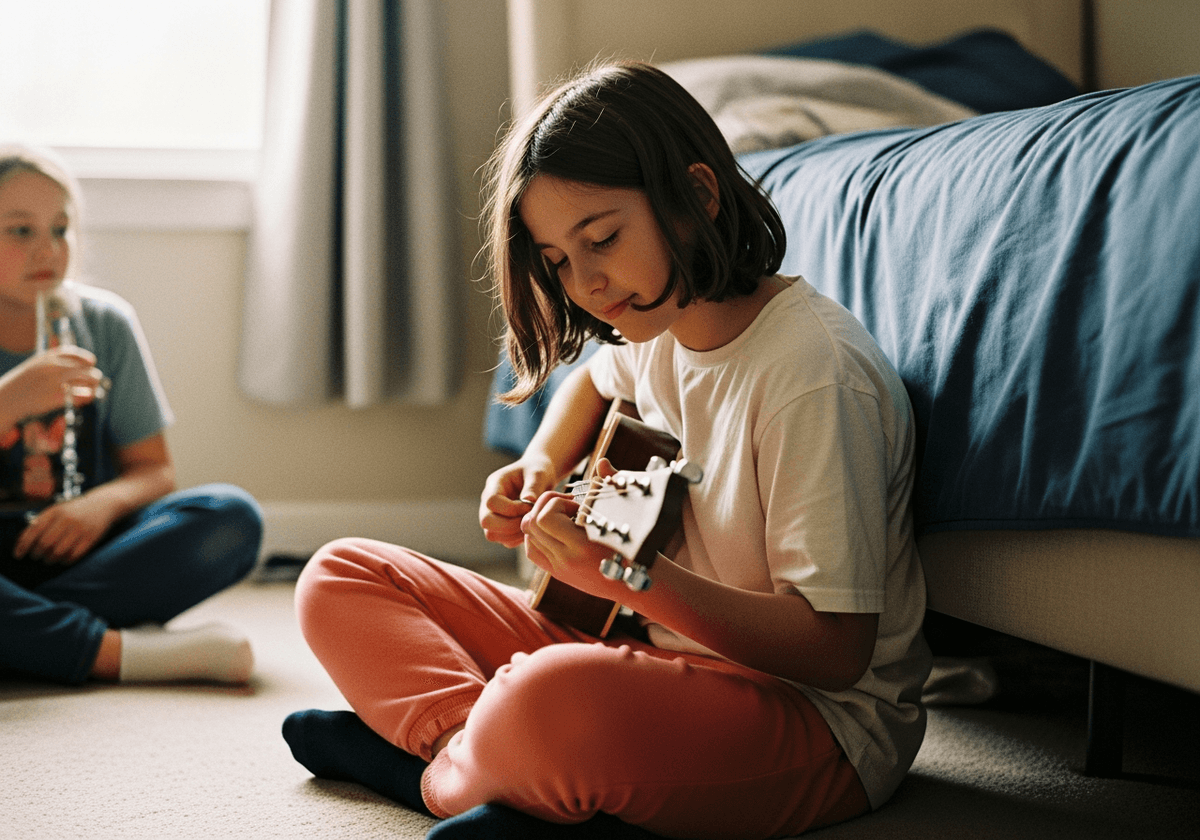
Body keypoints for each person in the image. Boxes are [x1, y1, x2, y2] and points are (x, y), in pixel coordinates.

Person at [283, 61, 931, 839]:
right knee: (341, 575)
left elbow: (834, 651)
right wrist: (540, 465)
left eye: (603, 239)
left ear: (697, 195)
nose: (585, 282)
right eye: (557, 261)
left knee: (545, 698)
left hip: (816, 726)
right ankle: (481, 763)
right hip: (646, 655)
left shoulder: (811, 376)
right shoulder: (660, 325)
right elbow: (594, 381)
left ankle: (445, 768)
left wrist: (630, 576)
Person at [0, 144, 262, 686]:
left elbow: (154, 470)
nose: (48, 249)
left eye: (62, 228)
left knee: (230, 517)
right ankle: (117, 653)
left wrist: (96, 507)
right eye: (20, 231)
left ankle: (29, 633)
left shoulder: (104, 323)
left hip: (83, 552)